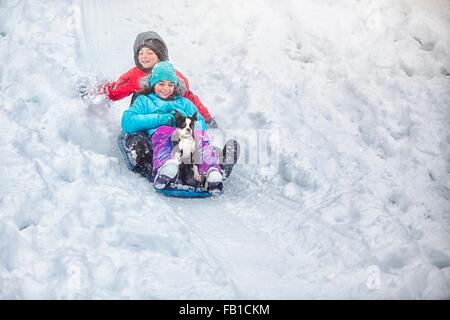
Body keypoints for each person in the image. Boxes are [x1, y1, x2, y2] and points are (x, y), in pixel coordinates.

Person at [79, 31, 218, 128]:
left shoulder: (172, 75)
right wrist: (94, 92)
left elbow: (189, 98)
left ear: (160, 55)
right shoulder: (135, 75)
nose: (144, 56)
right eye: (141, 53)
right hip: (146, 117)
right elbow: (117, 89)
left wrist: (207, 118)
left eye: (150, 53)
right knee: (140, 93)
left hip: (169, 118)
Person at [120, 61, 223, 191]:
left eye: (170, 84)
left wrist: (187, 122)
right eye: (161, 84)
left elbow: (200, 122)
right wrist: (160, 120)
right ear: (153, 84)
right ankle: (167, 169)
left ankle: (211, 171)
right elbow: (127, 121)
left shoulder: (184, 103)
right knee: (166, 132)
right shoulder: (145, 100)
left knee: (200, 135)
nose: (166, 88)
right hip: (162, 138)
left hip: (188, 141)